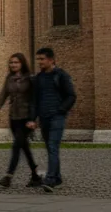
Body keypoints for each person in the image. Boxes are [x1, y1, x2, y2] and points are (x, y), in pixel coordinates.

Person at [28, 47, 75, 192]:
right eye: (38, 59)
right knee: (50, 148)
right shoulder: (38, 78)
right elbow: (35, 100)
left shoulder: (61, 75)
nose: (39, 62)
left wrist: (61, 110)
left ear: (51, 60)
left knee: (53, 147)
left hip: (57, 117)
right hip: (44, 118)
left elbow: (71, 96)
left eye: (42, 59)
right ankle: (57, 177)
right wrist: (32, 119)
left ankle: (50, 179)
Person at [0, 52, 41, 188]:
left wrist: (33, 119)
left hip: (26, 118)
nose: (13, 65)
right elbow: (4, 93)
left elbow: (34, 100)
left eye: (16, 62)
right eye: (11, 62)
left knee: (16, 146)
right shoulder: (9, 78)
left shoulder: (30, 79)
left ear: (22, 64)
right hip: (13, 117)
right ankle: (35, 175)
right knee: (24, 146)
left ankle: (8, 176)